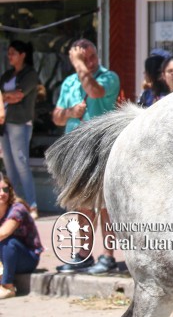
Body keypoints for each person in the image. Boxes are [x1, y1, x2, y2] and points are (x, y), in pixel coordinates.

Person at [52, 39, 120, 275]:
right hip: (75, 151)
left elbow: (94, 90)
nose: (89, 62)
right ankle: (83, 254)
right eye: (84, 58)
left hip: (101, 149)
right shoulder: (69, 82)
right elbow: (57, 117)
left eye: (91, 57)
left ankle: (108, 255)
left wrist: (78, 63)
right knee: (80, 205)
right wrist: (70, 112)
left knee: (104, 205)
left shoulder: (109, 77)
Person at [0, 41, 40, 217]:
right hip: (4, 123)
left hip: (20, 122)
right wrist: (6, 97)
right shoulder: (7, 75)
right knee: (9, 165)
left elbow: (18, 95)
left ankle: (32, 205)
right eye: (8, 53)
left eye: (13, 53)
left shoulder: (30, 74)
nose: (9, 56)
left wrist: (4, 97)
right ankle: (15, 203)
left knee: (21, 163)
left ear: (23, 55)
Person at [0, 174, 42, 299]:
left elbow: (3, 233)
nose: (2, 193)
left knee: (8, 242)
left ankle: (8, 286)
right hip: (5, 257)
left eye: (5, 189)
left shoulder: (17, 208)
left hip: (27, 258)